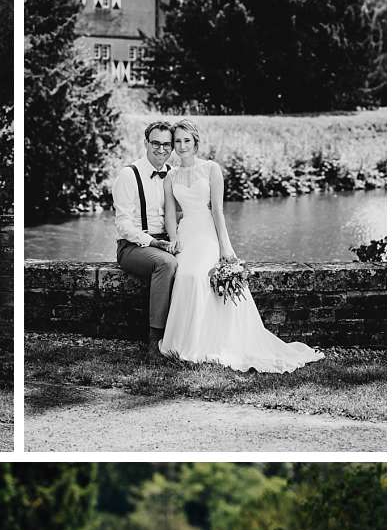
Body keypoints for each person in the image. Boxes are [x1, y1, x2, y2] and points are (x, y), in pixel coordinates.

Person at [159, 120, 325, 373]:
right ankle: (184, 342)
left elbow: (217, 211)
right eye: (177, 141)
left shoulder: (211, 169)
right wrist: (174, 238)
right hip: (186, 234)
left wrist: (225, 247)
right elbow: (170, 214)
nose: (181, 146)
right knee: (184, 277)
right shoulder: (170, 176)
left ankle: (212, 342)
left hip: (207, 233)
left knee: (198, 276)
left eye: (186, 141)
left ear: (195, 143)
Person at [112, 121, 180, 361]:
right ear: (146, 143)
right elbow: (123, 225)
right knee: (167, 264)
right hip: (133, 246)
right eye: (156, 143)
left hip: (166, 242)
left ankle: (187, 338)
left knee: (195, 264)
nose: (161, 149)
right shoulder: (128, 175)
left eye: (166, 145)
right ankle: (155, 341)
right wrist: (152, 242)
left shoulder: (174, 175)